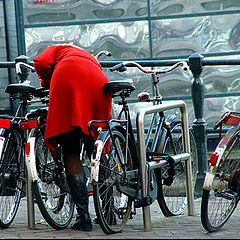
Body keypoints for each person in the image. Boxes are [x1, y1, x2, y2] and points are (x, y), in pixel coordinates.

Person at [33, 44, 112, 231]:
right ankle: (108, 213)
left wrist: (47, 81)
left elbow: (41, 62)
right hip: (97, 80)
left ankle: (83, 216)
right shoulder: (87, 56)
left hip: (66, 79)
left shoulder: (55, 49)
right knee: (97, 143)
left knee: (70, 149)